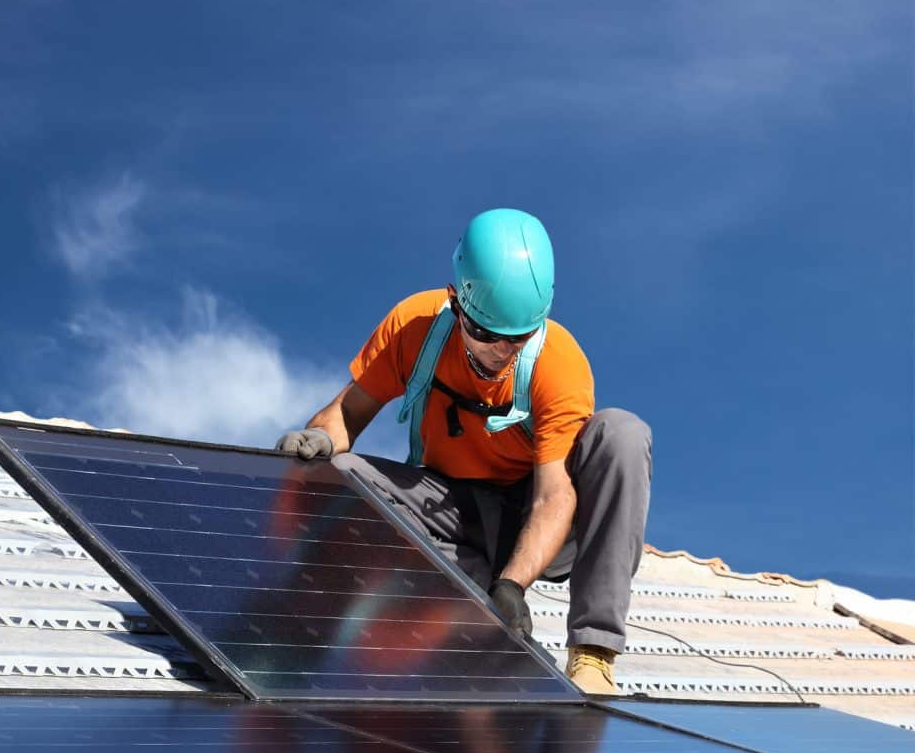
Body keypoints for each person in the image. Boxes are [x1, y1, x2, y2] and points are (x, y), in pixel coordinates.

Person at [275, 208, 651, 696]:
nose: (502, 352)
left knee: (622, 434)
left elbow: (553, 495)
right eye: (487, 335)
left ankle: (593, 654)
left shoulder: (559, 363)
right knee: (342, 472)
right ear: (456, 302)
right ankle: (431, 599)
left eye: (518, 338)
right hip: (453, 515)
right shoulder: (413, 327)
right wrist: (322, 441)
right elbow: (347, 413)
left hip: (539, 521)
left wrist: (513, 585)